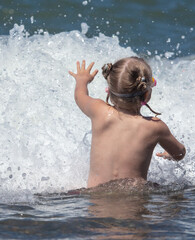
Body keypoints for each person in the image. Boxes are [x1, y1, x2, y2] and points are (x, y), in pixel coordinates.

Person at [69, 57, 186, 188]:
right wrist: (170, 154)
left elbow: (79, 96)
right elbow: (180, 152)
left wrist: (82, 81)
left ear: (109, 89)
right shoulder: (155, 126)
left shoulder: (99, 111)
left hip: (96, 202)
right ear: (146, 94)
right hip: (134, 200)